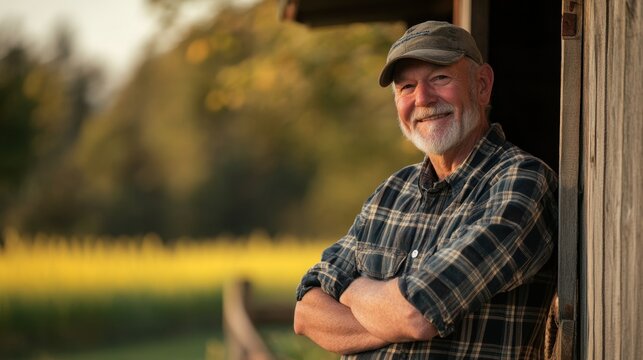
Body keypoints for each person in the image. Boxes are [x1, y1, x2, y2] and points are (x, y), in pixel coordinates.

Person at [293, 20, 558, 359]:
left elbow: (416, 315)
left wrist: (347, 290)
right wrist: (387, 315)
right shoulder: (390, 193)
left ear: (482, 85)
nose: (423, 99)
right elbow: (306, 313)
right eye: (406, 87)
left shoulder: (520, 184)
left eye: (440, 79)